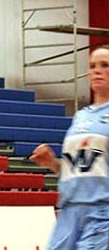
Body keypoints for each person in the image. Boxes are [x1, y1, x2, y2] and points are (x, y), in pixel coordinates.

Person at [30, 46, 109, 250]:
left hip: (101, 213)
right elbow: (78, 169)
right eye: (92, 66)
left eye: (105, 65)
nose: (97, 71)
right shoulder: (81, 116)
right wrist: (53, 163)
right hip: (69, 211)